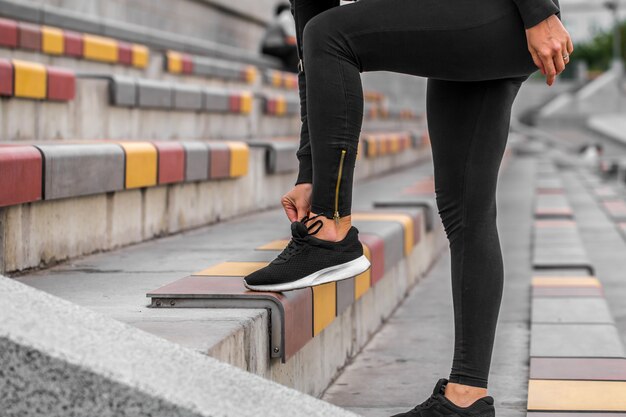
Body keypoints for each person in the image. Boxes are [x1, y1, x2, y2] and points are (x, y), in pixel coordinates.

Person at [245, 0, 573, 415]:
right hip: (473, 19)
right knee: (465, 209)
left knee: (332, 35)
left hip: (506, 13)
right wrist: (311, 172)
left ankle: (330, 232)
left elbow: (321, 40)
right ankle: (465, 398)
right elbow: (313, 59)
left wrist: (539, 10)